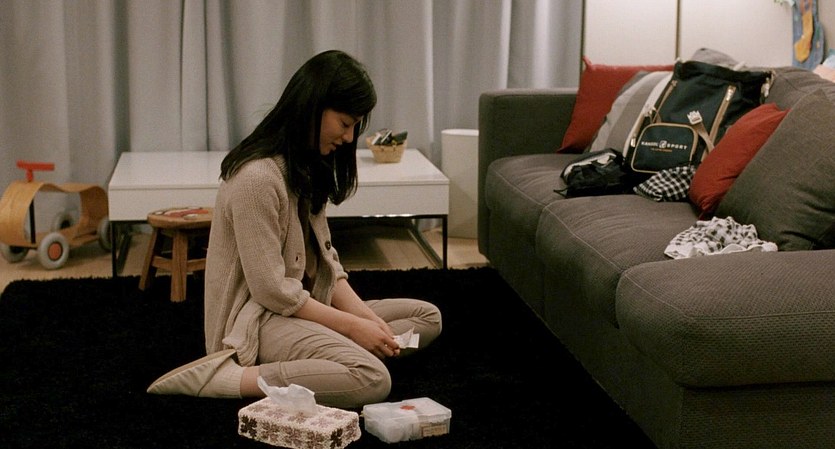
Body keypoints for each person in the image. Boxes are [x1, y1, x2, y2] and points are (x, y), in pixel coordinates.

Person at [146, 49, 442, 408]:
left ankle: (334, 357)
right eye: (345, 124)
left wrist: (367, 321)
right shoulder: (256, 178)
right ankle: (228, 378)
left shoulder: (306, 164)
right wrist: (351, 326)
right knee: (372, 378)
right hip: (257, 320)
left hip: (305, 305)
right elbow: (272, 291)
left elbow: (328, 265)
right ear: (313, 107)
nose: (349, 138)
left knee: (428, 317)